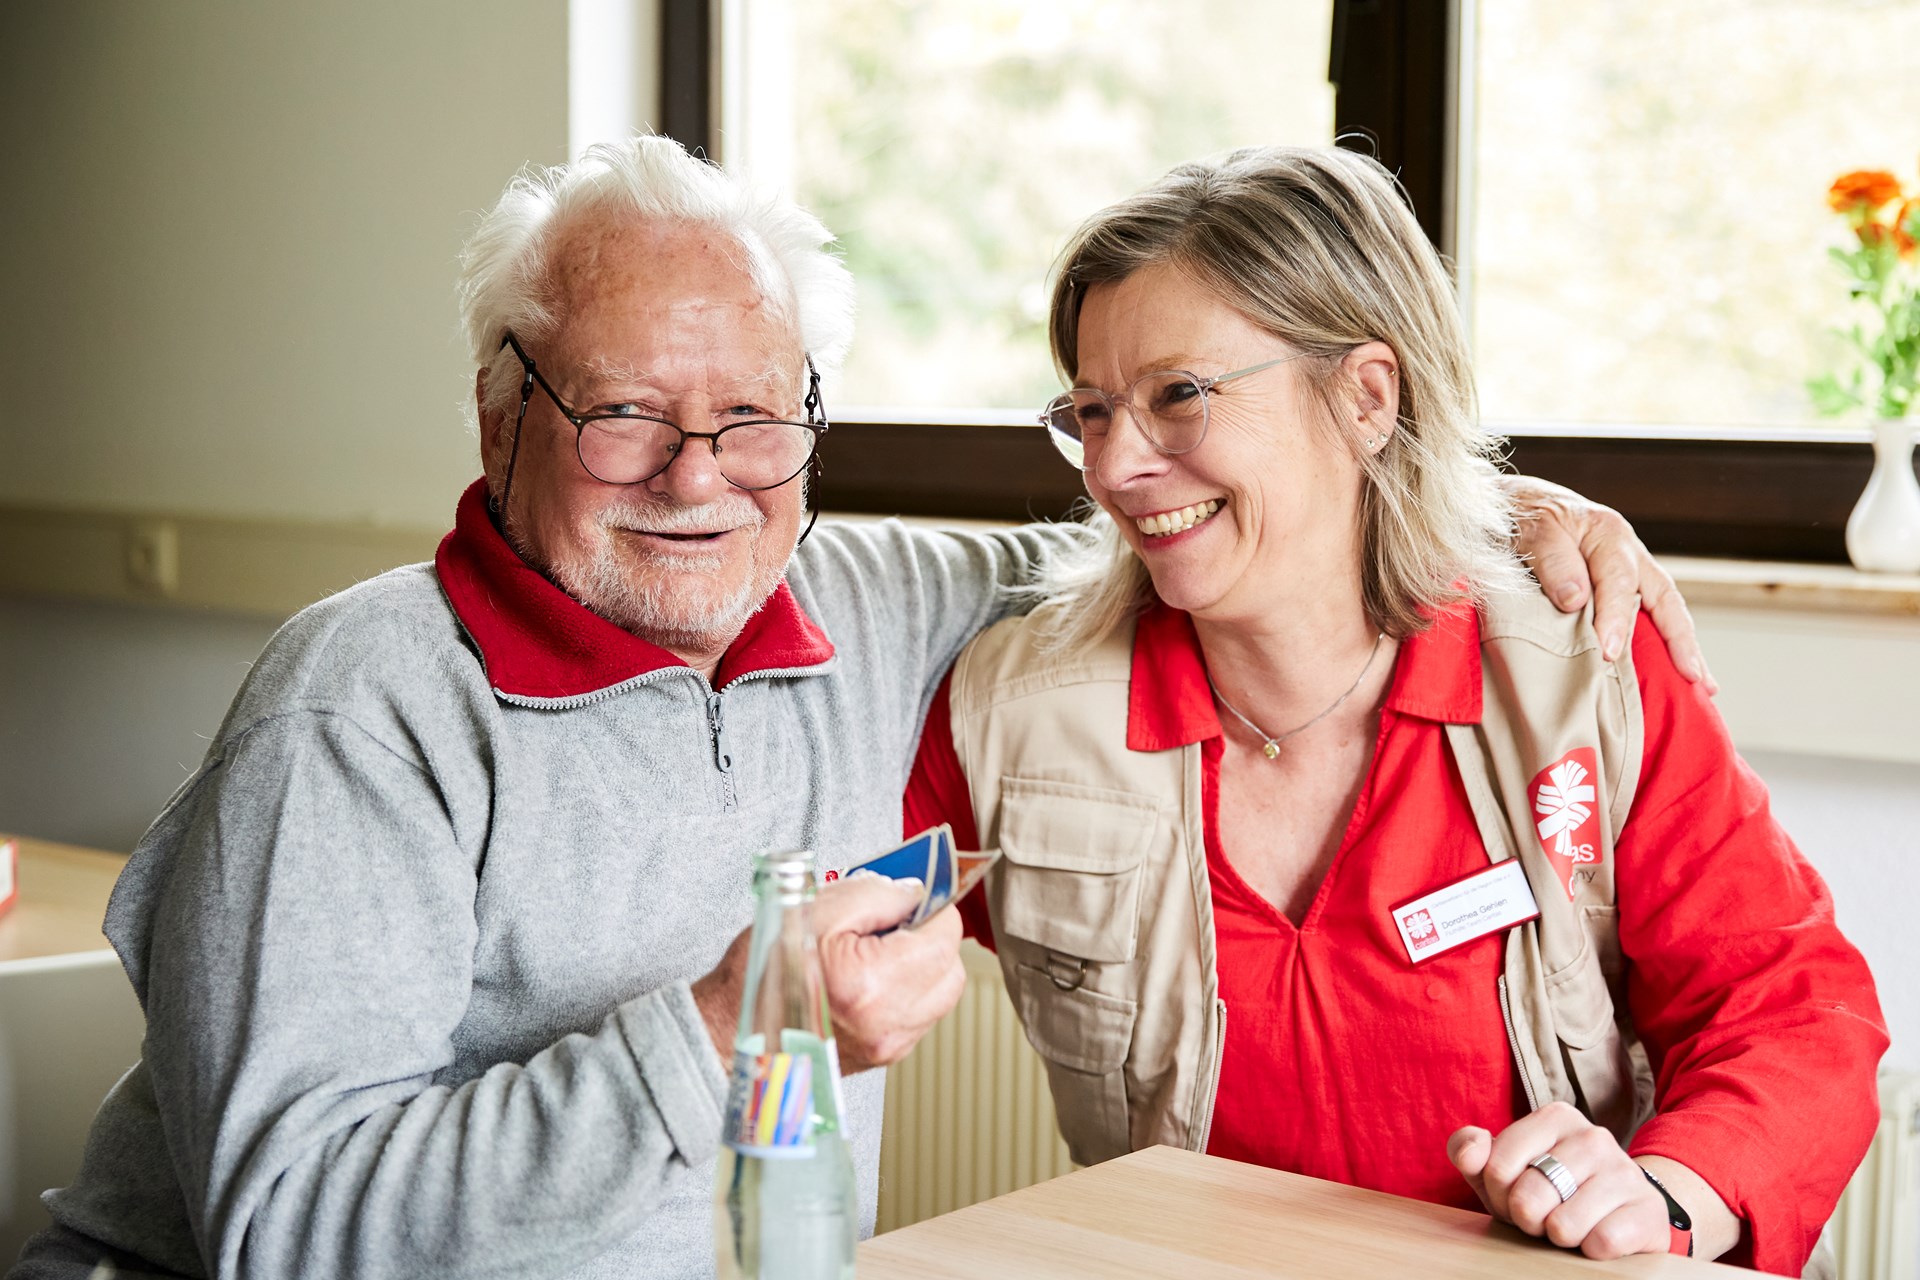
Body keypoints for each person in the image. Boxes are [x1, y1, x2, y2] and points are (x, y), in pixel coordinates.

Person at [12, 137, 1692, 1280]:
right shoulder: (365, 705)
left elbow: (1211, 511)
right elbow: (292, 1231)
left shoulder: (885, 606)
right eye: (622, 416)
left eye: (754, 415)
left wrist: (1497, 506)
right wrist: (725, 1031)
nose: (698, 478)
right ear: (496, 411)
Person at [906, 145, 1887, 1277]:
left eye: (1179, 394)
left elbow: (1787, 1010)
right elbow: (813, 919)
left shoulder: (1580, 676)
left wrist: (1660, 1198)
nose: (1116, 464)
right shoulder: (1012, 717)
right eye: (1090, 410)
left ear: (1368, 394)